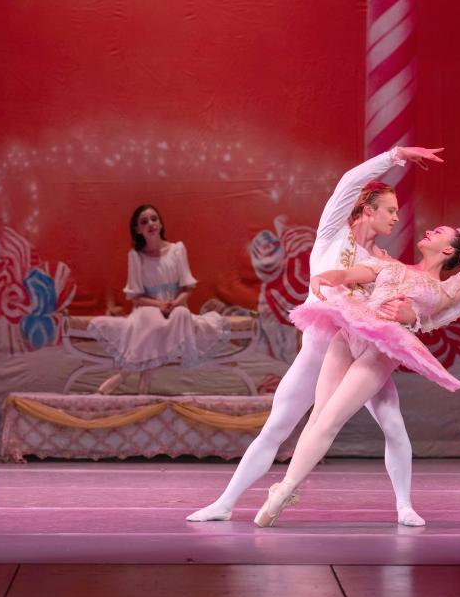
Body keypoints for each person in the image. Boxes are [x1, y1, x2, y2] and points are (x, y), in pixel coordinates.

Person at [186, 146, 445, 527]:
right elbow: (347, 183)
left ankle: (404, 505)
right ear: (367, 210)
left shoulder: (385, 264)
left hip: (362, 355)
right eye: (389, 209)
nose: (396, 216)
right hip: (318, 352)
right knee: (277, 426)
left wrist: (408, 313)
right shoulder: (332, 237)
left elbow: (406, 305)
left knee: (392, 423)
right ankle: (225, 502)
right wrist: (395, 155)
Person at [254, 197, 460, 527]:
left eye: (439, 231)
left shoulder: (447, 288)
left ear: (448, 250)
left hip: (384, 347)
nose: (429, 230)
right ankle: (284, 490)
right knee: (319, 414)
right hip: (351, 331)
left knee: (334, 418)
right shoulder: (393, 265)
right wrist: (328, 277)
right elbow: (353, 272)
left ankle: (283, 491)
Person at [88, 205, 230, 395]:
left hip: (175, 306)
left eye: (154, 219)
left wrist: (176, 302)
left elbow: (187, 288)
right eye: (144, 221)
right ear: (138, 229)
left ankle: (124, 376)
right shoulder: (136, 256)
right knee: (152, 322)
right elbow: (136, 297)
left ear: (161, 223)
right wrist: (159, 305)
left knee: (181, 315)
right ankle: (142, 385)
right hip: (149, 308)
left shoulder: (177, 250)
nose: (151, 224)